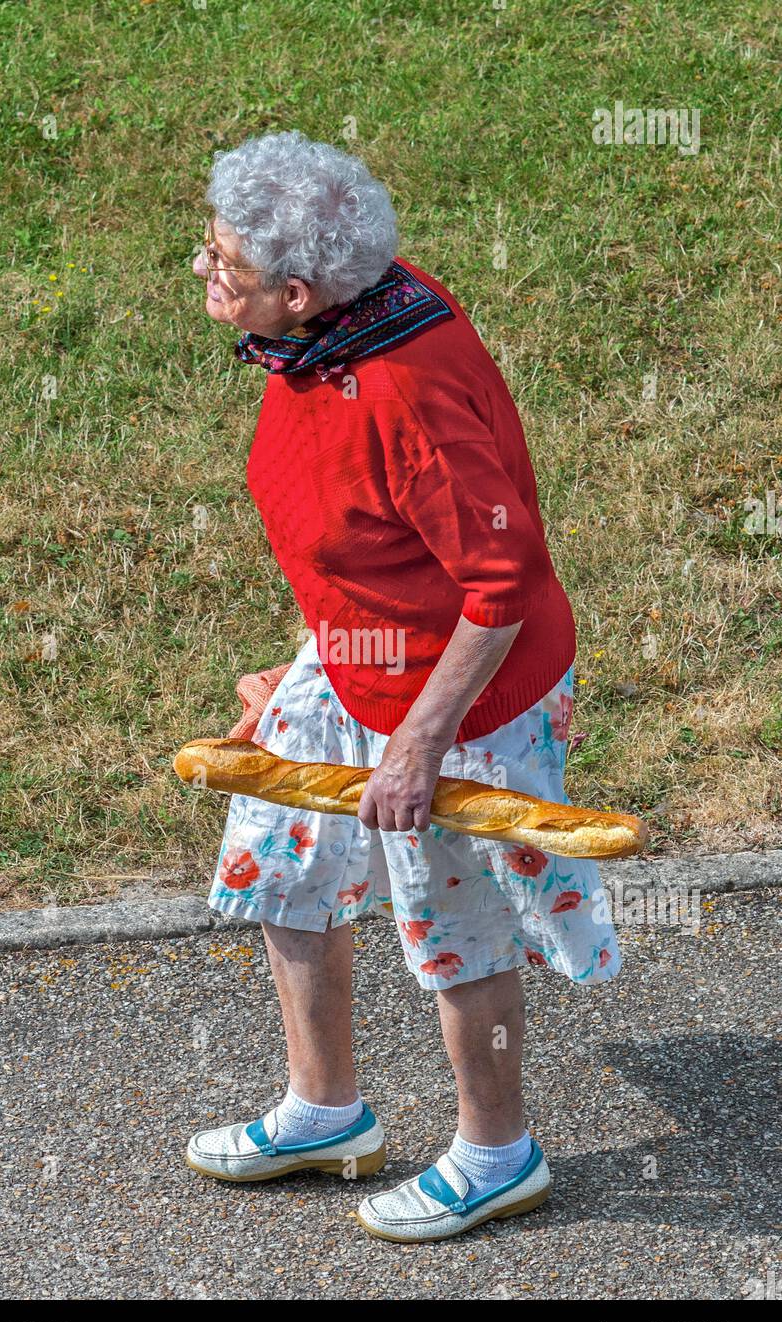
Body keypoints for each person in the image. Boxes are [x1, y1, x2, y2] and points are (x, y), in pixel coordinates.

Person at [185, 129, 621, 1243]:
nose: (201, 270)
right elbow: (354, 540)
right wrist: (306, 662)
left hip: (465, 694)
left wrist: (418, 747)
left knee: (455, 927)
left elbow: (500, 583)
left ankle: (495, 1154)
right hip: (356, 660)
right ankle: (323, 1109)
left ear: (294, 290)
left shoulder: (399, 389)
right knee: (287, 865)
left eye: (221, 262)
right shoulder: (339, 318)